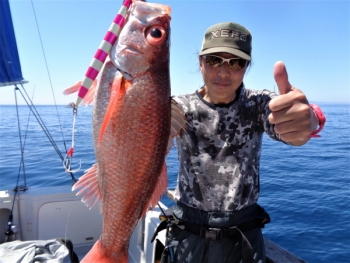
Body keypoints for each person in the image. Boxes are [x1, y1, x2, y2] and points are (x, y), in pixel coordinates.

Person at [156, 22, 326, 263]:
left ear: (246, 67)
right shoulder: (178, 108)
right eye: (215, 60)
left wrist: (308, 120)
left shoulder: (257, 103)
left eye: (236, 62)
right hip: (188, 234)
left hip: (244, 237)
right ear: (200, 62)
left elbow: (291, 116)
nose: (224, 72)